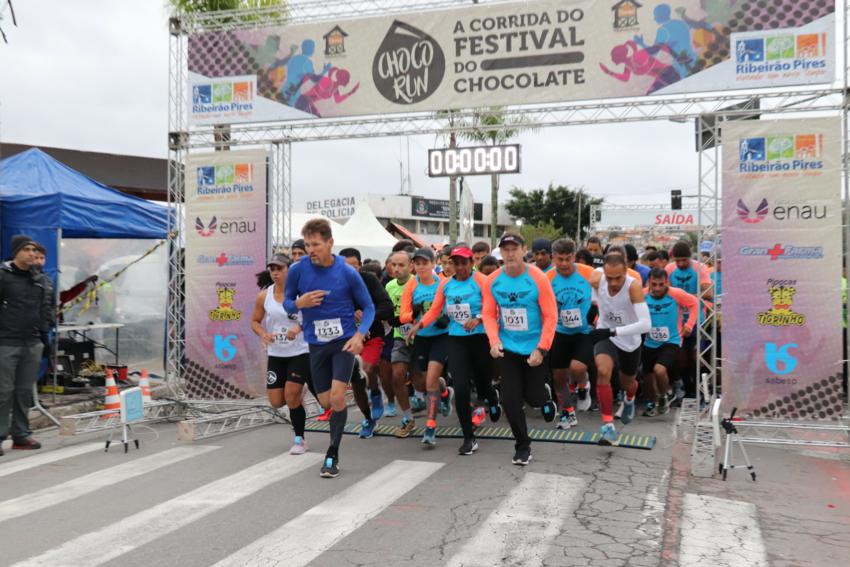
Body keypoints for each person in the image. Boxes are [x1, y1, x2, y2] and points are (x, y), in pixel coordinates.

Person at [283, 219, 375, 478]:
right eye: (308, 245)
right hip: (316, 345)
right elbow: (288, 304)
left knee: (336, 397)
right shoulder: (298, 271)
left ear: (330, 243)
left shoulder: (346, 272)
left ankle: (332, 454)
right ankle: (355, 375)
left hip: (343, 341)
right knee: (326, 401)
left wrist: (359, 335)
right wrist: (299, 303)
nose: (311, 250)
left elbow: (368, 307)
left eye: (316, 244)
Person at [412, 246, 499, 455]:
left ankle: (493, 398)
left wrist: (477, 318)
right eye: (455, 263)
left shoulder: (481, 281)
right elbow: (434, 310)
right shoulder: (446, 285)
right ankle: (469, 438)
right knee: (461, 387)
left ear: (472, 263)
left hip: (480, 338)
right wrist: (419, 325)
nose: (460, 267)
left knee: (482, 381)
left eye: (464, 263)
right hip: (457, 340)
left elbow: (493, 308)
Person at [482, 233, 558, 466]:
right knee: (510, 399)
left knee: (533, 397)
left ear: (524, 250)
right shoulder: (492, 280)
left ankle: (544, 396)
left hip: (535, 347)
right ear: (500, 253)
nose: (510, 253)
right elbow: (488, 313)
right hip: (509, 348)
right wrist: (494, 341)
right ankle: (522, 446)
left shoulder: (537, 278)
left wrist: (542, 349)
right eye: (505, 249)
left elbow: (550, 315)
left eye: (514, 248)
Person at [251, 254, 313, 454]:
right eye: (272, 269)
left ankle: (299, 439)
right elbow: (255, 321)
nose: (275, 273)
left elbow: (314, 318)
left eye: (280, 269)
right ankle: (297, 395)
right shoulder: (264, 296)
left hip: (299, 351)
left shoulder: (300, 295)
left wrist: (298, 328)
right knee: (277, 402)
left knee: (292, 397)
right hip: (276, 354)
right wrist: (263, 334)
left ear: (289, 270)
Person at [588, 253, 651, 446]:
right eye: (610, 278)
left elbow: (646, 325)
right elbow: (594, 286)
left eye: (618, 278)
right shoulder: (598, 278)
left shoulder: (633, 287)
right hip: (606, 336)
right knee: (603, 370)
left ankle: (630, 396)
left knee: (627, 383)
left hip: (629, 340)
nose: (614, 283)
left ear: (626, 271)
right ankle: (608, 427)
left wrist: (614, 330)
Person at [0, 235, 53, 453]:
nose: (33, 254)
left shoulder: (39, 279)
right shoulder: (3, 276)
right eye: (27, 250)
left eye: (35, 251)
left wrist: (44, 339)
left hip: (32, 343)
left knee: (24, 392)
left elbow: (44, 312)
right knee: (3, 392)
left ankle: (21, 435)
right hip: (6, 343)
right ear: (16, 252)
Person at [400, 248, 453, 446]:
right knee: (421, 384)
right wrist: (413, 313)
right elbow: (403, 315)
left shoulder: (442, 282)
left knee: (430, 382)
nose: (421, 267)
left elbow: (451, 305)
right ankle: (445, 393)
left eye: (425, 263)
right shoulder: (411, 286)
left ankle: (430, 427)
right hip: (420, 337)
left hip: (441, 336)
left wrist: (445, 317)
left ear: (433, 263)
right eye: (418, 263)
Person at [339, 248, 394, 439]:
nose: (349, 271)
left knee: (367, 369)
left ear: (360, 266)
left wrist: (368, 317)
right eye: (344, 267)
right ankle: (368, 418)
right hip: (347, 338)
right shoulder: (335, 284)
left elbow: (388, 307)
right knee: (355, 379)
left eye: (353, 267)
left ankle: (376, 392)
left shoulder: (369, 281)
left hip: (372, 337)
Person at [547, 239, 595, 429]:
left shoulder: (589, 273)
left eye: (568, 259)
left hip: (583, 332)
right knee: (559, 377)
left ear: (574, 257)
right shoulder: (548, 277)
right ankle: (567, 412)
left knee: (576, 369)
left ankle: (584, 385)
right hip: (559, 331)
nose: (564, 264)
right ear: (553, 258)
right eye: (560, 260)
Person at [642, 267, 697, 417]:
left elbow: (694, 303)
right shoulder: (643, 294)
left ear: (667, 282)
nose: (658, 288)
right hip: (650, 341)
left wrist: (689, 324)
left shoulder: (675, 294)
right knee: (647, 375)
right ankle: (654, 401)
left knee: (659, 369)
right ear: (649, 283)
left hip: (672, 340)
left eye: (661, 284)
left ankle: (663, 395)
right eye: (654, 284)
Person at [666, 241, 712, 401]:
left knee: (696, 355)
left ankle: (699, 388)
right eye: (677, 260)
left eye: (684, 260)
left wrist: (684, 296)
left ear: (690, 258)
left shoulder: (700, 268)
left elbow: (708, 292)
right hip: (676, 320)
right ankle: (686, 388)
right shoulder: (669, 269)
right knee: (680, 357)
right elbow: (664, 292)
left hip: (696, 318)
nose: (680, 263)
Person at [385, 250, 420, 436]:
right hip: (400, 336)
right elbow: (386, 310)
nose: (396, 269)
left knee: (420, 383)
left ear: (411, 266)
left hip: (421, 337)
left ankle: (444, 390)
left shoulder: (418, 284)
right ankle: (408, 418)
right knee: (397, 375)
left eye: (401, 265)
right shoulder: (389, 286)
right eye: (393, 265)